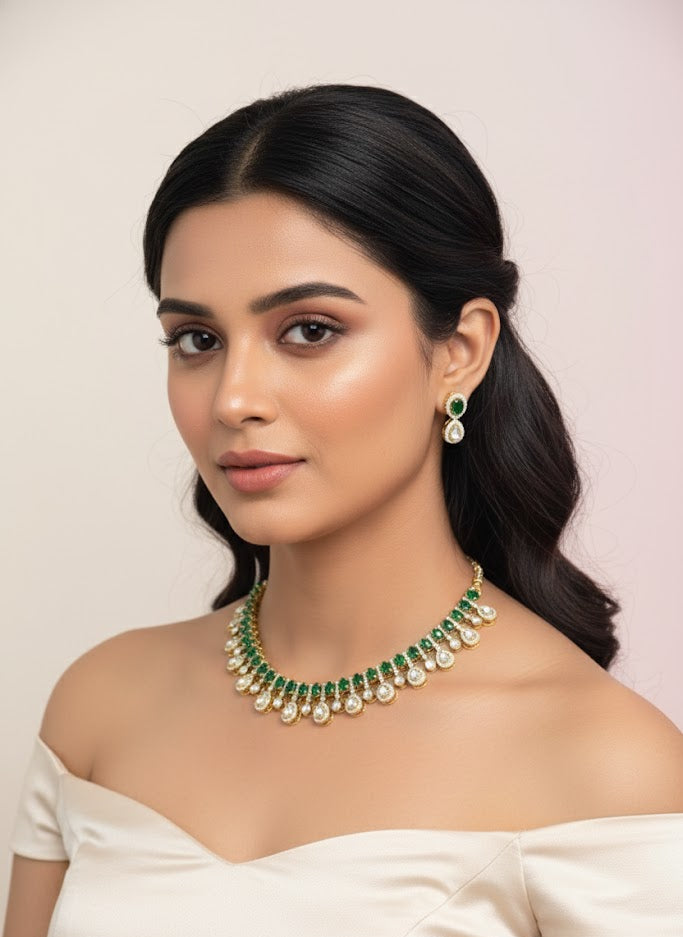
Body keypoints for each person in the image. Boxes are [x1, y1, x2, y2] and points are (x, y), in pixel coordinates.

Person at [3, 82, 682, 936]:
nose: (234, 398)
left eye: (309, 330)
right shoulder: (102, 704)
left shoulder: (605, 766)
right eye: (196, 340)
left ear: (459, 351)